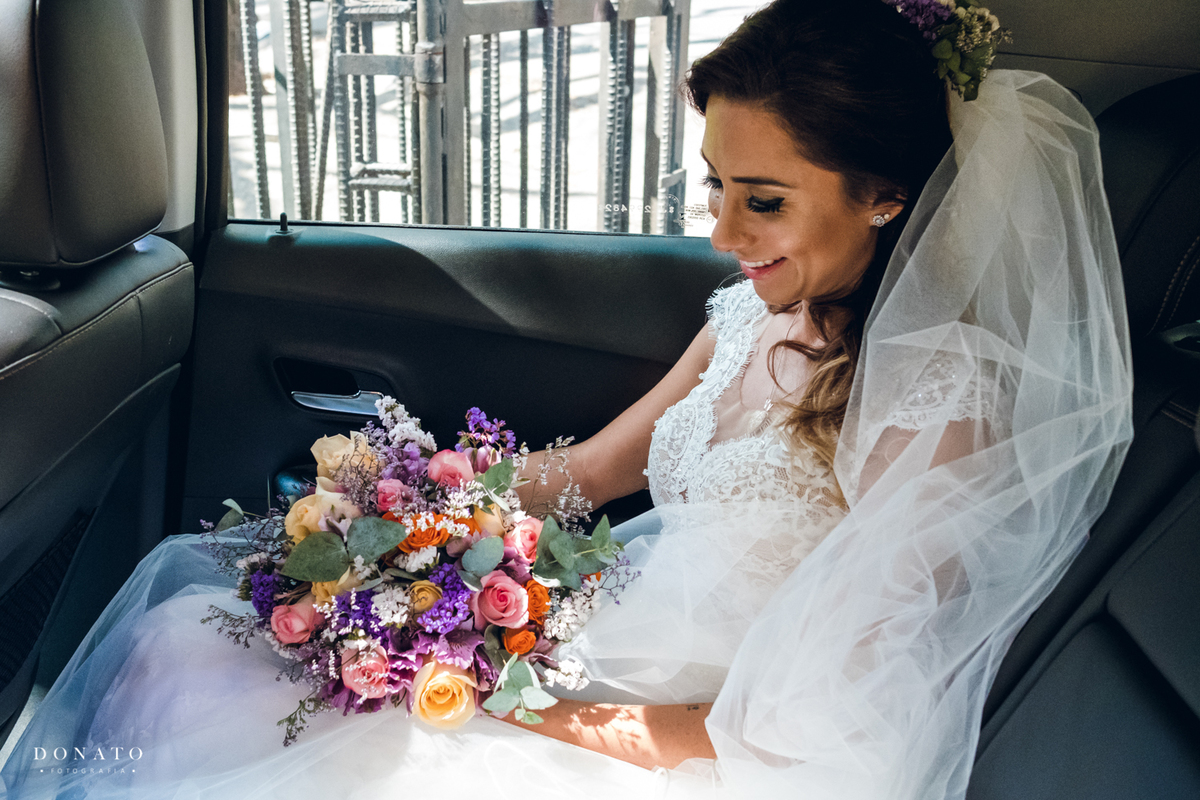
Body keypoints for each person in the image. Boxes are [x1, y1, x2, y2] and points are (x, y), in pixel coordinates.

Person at [0, 0, 1131, 798]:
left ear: (886, 195)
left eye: (766, 201)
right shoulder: (748, 314)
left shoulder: (941, 402)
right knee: (195, 642)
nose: (724, 235)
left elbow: (804, 741)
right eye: (716, 188)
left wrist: (500, 702)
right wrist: (409, 502)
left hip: (686, 747)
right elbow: (591, 473)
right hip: (586, 652)